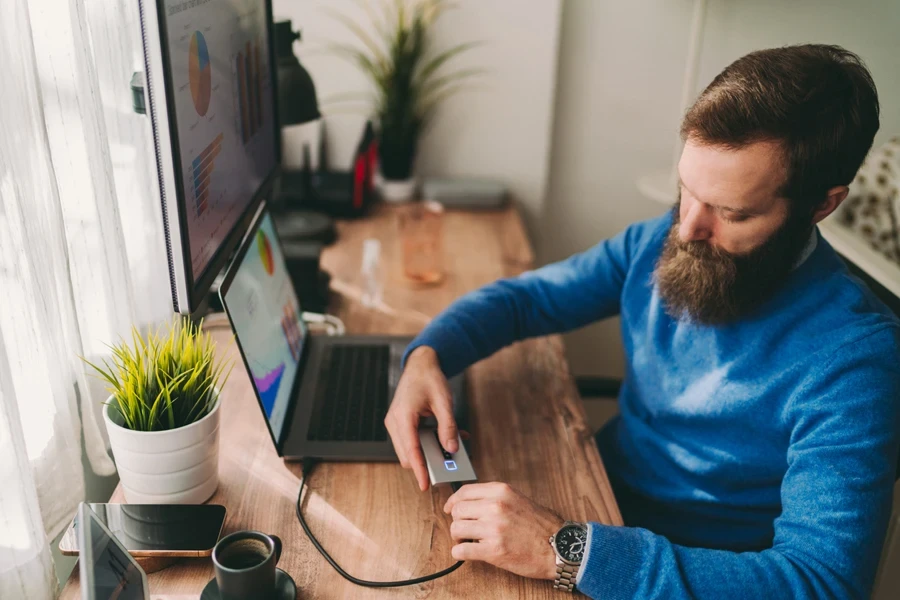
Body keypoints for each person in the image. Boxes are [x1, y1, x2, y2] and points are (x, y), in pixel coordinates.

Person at [384, 44, 900, 599]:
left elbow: (822, 583)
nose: (687, 230)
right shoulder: (664, 237)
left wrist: (568, 550)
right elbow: (529, 298)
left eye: (732, 212)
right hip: (592, 499)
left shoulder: (856, 360)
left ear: (822, 205)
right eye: (687, 191)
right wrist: (428, 354)